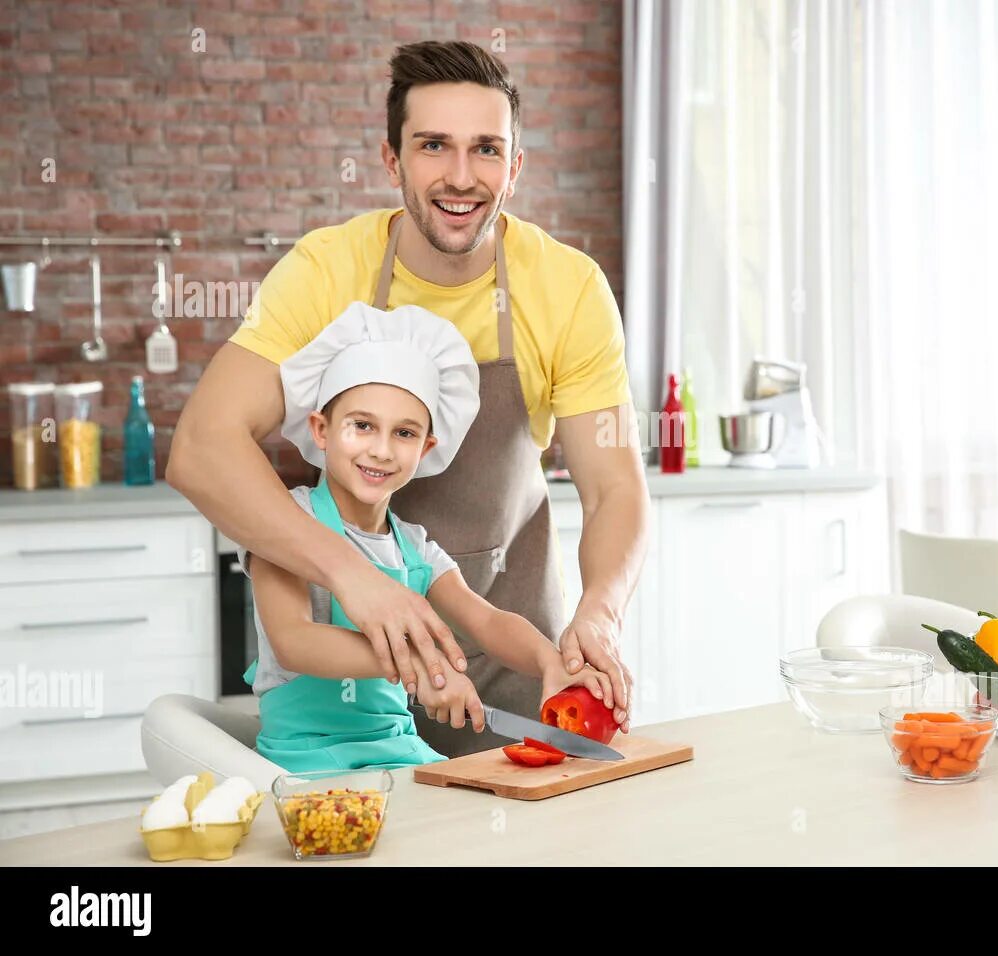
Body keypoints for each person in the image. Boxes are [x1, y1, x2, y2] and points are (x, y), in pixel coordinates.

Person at [169, 40, 649, 757]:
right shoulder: (326, 269)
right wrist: (355, 578)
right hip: (351, 688)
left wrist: (601, 616)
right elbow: (202, 450)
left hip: (514, 674)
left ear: (515, 167)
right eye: (433, 146)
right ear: (392, 160)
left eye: (487, 149)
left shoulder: (569, 287)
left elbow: (615, 489)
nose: (461, 177)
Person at [240, 302, 613, 771]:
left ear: (426, 448)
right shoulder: (288, 522)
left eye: (404, 433)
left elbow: (488, 621)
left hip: (401, 752)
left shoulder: (413, 548)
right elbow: (295, 640)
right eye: (362, 425)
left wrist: (550, 662)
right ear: (321, 429)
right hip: (305, 761)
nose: (380, 448)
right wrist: (420, 665)